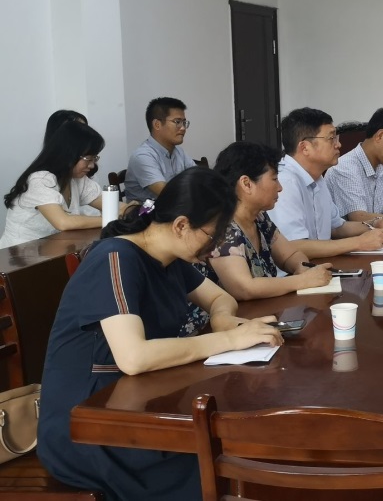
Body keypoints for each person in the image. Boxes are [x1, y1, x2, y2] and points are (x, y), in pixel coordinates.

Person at [37, 168, 284, 501]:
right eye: (212, 237)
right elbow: (134, 358)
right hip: (90, 427)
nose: (214, 249)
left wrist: (223, 319)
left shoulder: (169, 258)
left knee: (230, 452)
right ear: (181, 225)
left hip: (138, 405)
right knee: (217, 464)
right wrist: (228, 340)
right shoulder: (115, 259)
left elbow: (219, 298)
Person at [199, 141, 333, 301]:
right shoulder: (221, 227)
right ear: (246, 184)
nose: (280, 188)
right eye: (274, 179)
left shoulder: (260, 217)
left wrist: (301, 267)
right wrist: (302, 281)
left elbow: (290, 255)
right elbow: (243, 288)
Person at [267, 107, 383, 258]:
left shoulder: (317, 178)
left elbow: (337, 227)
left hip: (320, 266)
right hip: (296, 272)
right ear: (305, 147)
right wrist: (358, 242)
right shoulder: (284, 182)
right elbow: (292, 246)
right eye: (331, 138)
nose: (339, 145)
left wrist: (375, 223)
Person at [1, 122, 126, 248]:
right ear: (69, 154)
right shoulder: (40, 180)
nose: (92, 165)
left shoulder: (76, 178)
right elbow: (63, 222)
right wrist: (111, 220)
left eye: (95, 158)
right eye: (88, 159)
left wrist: (132, 210)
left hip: (51, 249)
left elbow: (112, 205)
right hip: (19, 254)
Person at [125, 97, 195, 203]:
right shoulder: (143, 156)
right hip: (148, 212)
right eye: (177, 122)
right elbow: (168, 194)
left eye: (184, 122)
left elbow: (199, 179)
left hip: (176, 209)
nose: (183, 128)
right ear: (157, 125)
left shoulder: (179, 152)